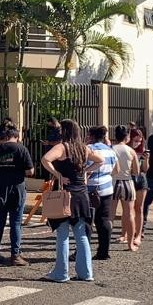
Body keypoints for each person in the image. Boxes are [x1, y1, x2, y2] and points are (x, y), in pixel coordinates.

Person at [40, 119, 104, 283]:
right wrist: (86, 172)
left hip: (65, 194)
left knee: (62, 234)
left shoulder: (61, 147)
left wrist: (58, 174)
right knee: (81, 233)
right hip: (81, 193)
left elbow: (45, 159)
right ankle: (86, 272)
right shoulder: (84, 148)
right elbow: (100, 160)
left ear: (65, 131)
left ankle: (61, 273)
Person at [0, 125, 33, 267]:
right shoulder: (22, 149)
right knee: (16, 222)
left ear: (6, 136)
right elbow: (30, 171)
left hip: (0, 187)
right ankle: (15, 255)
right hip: (17, 188)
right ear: (17, 136)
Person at [87, 125, 117, 259]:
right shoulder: (110, 150)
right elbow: (115, 169)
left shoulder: (90, 149)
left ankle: (83, 250)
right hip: (106, 187)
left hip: (91, 187)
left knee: (86, 221)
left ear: (91, 136)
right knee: (104, 220)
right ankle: (103, 251)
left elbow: (85, 167)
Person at [111, 125, 141, 251]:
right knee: (129, 213)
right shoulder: (131, 151)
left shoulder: (110, 149)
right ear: (127, 137)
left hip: (112, 183)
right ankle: (130, 244)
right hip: (127, 182)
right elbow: (136, 171)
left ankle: (105, 243)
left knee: (109, 215)